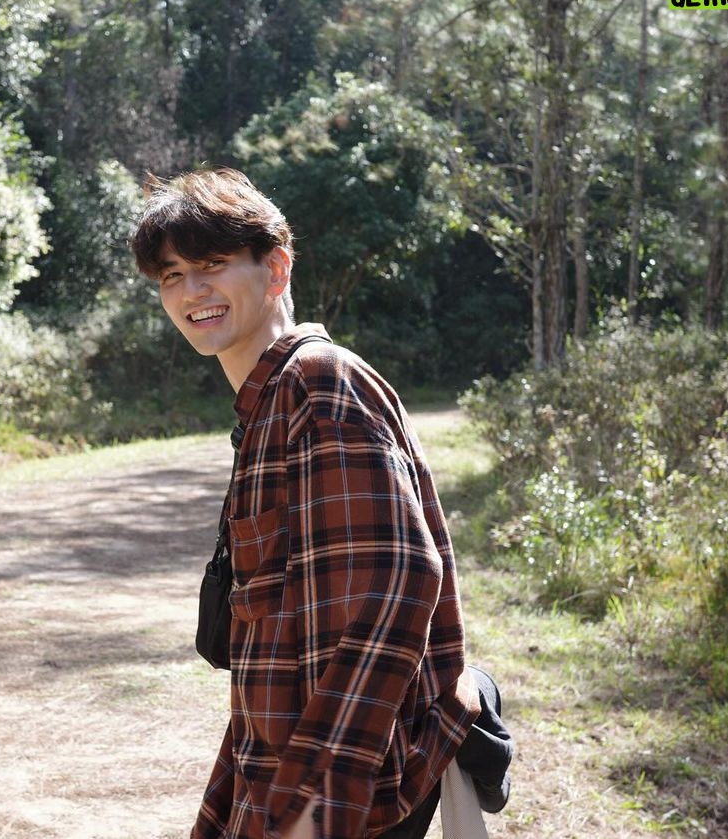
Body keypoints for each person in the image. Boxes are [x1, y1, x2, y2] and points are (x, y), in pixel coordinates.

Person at [131, 167, 508, 839]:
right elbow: (279, 630)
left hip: (350, 786)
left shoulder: (319, 384)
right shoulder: (269, 401)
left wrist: (315, 800)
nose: (191, 291)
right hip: (286, 763)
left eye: (212, 265)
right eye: (172, 275)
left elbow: (398, 582)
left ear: (276, 269)